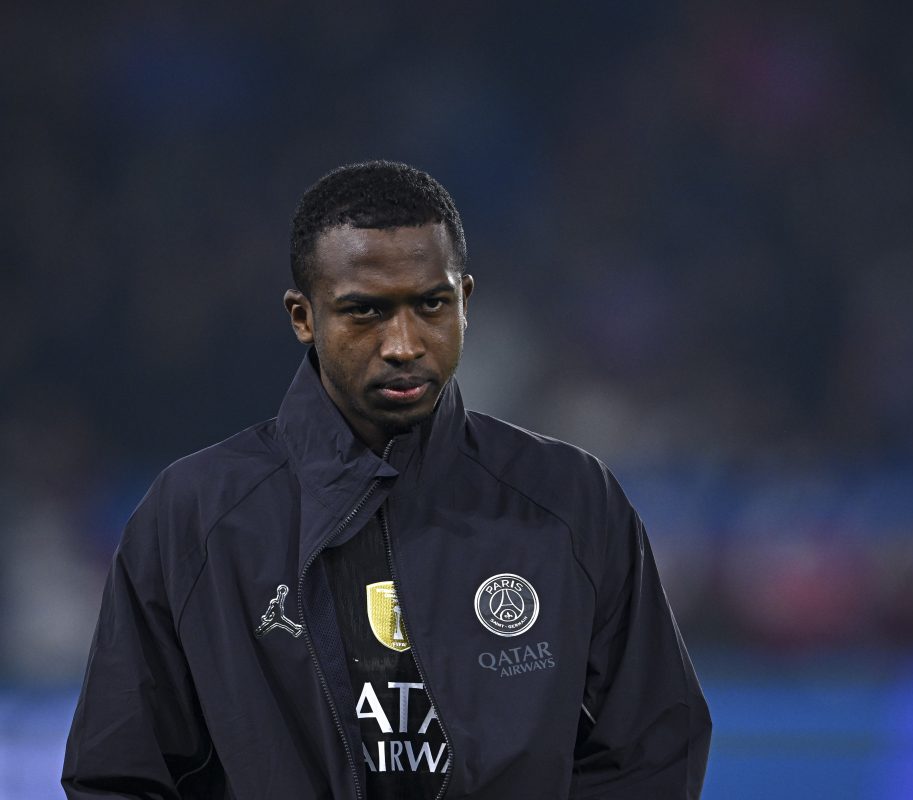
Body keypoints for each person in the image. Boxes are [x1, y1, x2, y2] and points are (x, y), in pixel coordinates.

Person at [62, 161, 711, 799]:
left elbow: (653, 749)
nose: (403, 343)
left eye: (431, 305)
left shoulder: (570, 498)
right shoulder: (196, 515)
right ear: (302, 317)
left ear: (465, 301)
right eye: (365, 312)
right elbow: (119, 775)